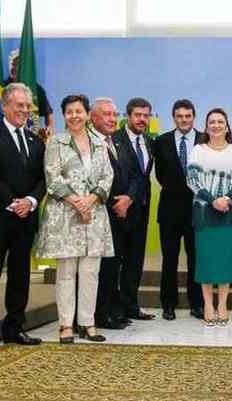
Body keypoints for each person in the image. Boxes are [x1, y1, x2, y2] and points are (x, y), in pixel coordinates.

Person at [36, 94, 114, 344]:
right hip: (65, 216)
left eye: (79, 111)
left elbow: (107, 177)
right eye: (69, 112)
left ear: (88, 113)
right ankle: (66, 325)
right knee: (67, 272)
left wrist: (90, 200)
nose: (74, 116)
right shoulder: (56, 142)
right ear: (64, 115)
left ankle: (88, 323)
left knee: (91, 271)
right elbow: (52, 177)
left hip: (94, 215)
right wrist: (76, 202)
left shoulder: (99, 143)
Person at [0, 83, 46, 350]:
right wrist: (12, 202)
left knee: (20, 275)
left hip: (26, 220)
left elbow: (42, 179)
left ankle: (15, 327)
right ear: (4, 106)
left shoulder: (36, 140)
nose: (24, 110)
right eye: (19, 105)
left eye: (28, 106)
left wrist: (31, 201)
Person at [187, 108, 232, 327]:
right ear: (206, 126)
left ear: (227, 126)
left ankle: (222, 304)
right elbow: (192, 180)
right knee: (205, 261)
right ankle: (208, 305)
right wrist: (213, 200)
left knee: (225, 261)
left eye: (220, 121)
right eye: (211, 122)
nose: (216, 125)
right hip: (205, 213)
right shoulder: (198, 150)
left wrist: (226, 199)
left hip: (229, 213)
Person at [154, 99, 204, 321]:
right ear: (174, 117)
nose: (184, 120)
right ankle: (168, 304)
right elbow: (160, 175)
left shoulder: (205, 140)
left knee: (196, 258)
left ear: (194, 117)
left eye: (188, 116)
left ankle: (197, 304)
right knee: (169, 258)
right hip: (169, 210)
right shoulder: (162, 141)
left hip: (198, 210)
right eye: (179, 116)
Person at [91, 97, 137, 330]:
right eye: (107, 114)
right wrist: (113, 203)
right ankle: (99, 314)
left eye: (114, 114)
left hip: (122, 216)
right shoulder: (88, 143)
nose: (112, 119)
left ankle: (111, 310)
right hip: (99, 215)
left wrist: (128, 198)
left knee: (114, 266)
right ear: (93, 117)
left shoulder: (119, 142)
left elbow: (136, 176)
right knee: (102, 268)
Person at [112, 97, 155, 321]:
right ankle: (114, 309)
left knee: (135, 261)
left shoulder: (148, 141)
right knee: (115, 262)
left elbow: (143, 176)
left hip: (141, 208)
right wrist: (124, 199)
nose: (142, 119)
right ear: (128, 116)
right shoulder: (114, 140)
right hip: (119, 209)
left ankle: (130, 306)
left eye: (146, 115)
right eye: (138, 115)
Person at [4, 49, 54, 134]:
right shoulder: (1, 87)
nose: (14, 67)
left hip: (29, 136)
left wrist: (49, 128)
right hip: (5, 135)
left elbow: (48, 113)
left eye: (18, 64)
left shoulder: (36, 89)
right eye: (12, 64)